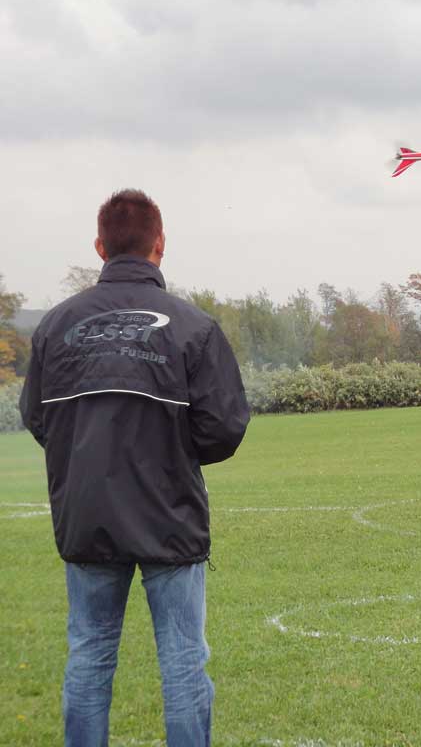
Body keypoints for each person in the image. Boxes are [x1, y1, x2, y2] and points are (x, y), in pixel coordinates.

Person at [19, 189, 250, 747]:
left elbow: (38, 418)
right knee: (183, 661)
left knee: (90, 656)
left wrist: (85, 458)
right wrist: (169, 456)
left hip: (86, 516)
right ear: (160, 244)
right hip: (169, 516)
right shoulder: (193, 327)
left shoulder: (55, 326)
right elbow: (223, 427)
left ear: (100, 247)